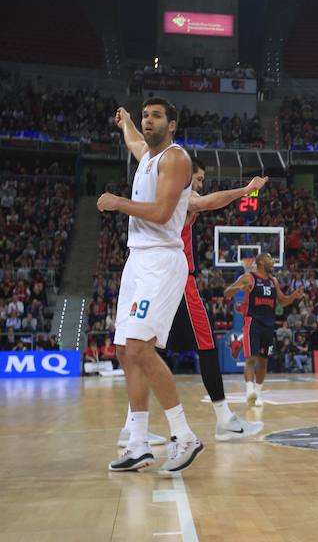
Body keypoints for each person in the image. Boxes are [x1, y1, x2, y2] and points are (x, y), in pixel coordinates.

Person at [114, 107, 265, 444]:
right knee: (204, 344)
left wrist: (126, 123)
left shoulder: (153, 169)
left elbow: (136, 142)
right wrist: (245, 190)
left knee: (144, 347)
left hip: (153, 269)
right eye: (196, 178)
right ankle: (221, 419)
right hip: (175, 276)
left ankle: (132, 427)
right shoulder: (181, 189)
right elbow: (209, 201)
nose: (198, 184)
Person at [97, 97, 202, 473]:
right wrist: (125, 121)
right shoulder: (147, 156)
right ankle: (138, 444)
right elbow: (134, 141)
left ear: (172, 124)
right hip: (136, 260)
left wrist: (117, 202)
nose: (149, 121)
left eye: (157, 116)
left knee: (141, 348)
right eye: (145, 115)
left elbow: (160, 214)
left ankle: (184, 435)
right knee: (125, 351)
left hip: (161, 259)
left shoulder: (176, 159)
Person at [224, 252, 301, 406]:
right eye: (269, 259)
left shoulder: (274, 281)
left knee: (264, 361)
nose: (272, 262)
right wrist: (238, 288)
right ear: (260, 262)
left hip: (269, 326)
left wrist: (293, 296)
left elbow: (282, 302)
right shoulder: (249, 278)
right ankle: (249, 390)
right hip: (253, 324)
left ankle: (257, 394)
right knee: (251, 358)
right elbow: (227, 294)